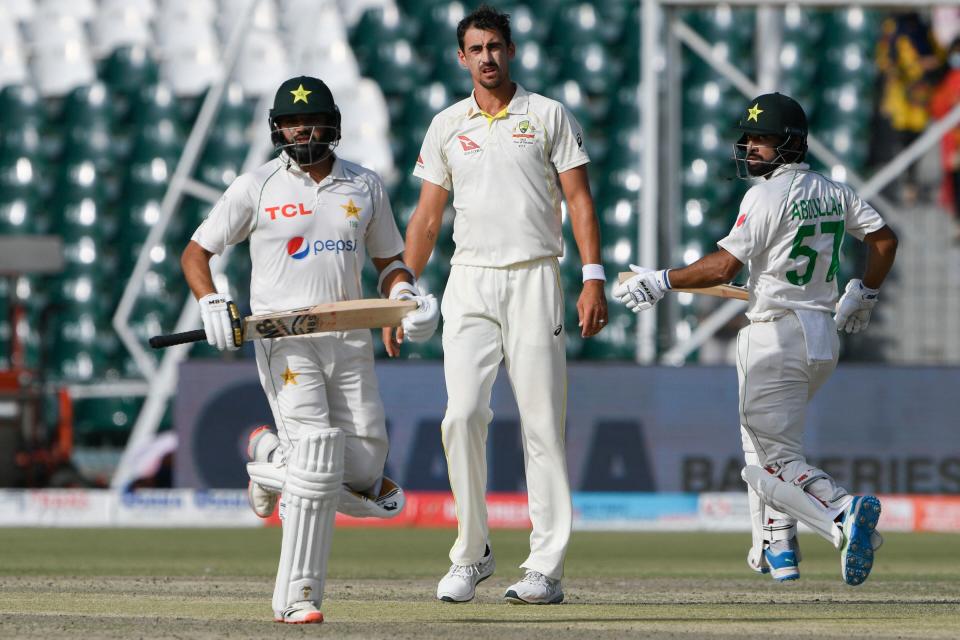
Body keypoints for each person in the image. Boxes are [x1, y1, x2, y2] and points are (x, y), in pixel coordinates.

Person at [180, 75, 439, 623]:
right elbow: (196, 254)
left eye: (314, 119)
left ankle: (269, 461)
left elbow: (389, 262)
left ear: (334, 125)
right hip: (284, 341)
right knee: (319, 453)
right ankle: (298, 597)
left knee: (370, 478)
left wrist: (405, 296)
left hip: (348, 339)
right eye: (294, 121)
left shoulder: (364, 186)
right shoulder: (256, 187)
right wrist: (210, 303)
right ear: (278, 127)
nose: (304, 128)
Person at [613, 93, 898, 587]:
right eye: (749, 139)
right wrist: (864, 292)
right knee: (762, 446)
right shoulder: (834, 190)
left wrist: (661, 280)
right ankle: (778, 548)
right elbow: (884, 240)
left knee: (768, 466)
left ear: (790, 144)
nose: (750, 148)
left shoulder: (765, 196)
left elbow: (723, 268)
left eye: (762, 139)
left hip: (774, 337)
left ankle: (842, 513)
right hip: (822, 339)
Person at [402, 5, 607, 605]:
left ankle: (546, 567)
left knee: (542, 423)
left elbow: (580, 201)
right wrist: (401, 288)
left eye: (496, 46)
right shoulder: (446, 125)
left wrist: (591, 276)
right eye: (476, 49)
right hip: (468, 280)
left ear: (510, 51)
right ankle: (472, 553)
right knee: (461, 415)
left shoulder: (546, 115)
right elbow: (428, 216)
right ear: (460, 58)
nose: (487, 57)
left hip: (535, 275)